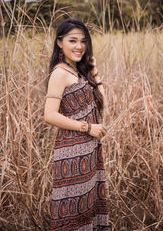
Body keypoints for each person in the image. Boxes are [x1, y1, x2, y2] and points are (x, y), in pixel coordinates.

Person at [44, 18, 111, 230]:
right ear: (59, 43)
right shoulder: (60, 73)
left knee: (87, 205)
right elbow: (50, 115)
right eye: (73, 40)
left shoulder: (78, 71)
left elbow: (103, 102)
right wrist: (87, 127)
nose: (79, 46)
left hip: (89, 149)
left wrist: (95, 72)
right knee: (73, 209)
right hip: (72, 150)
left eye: (83, 41)